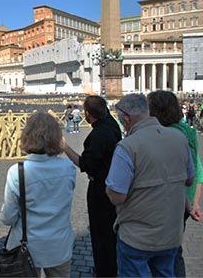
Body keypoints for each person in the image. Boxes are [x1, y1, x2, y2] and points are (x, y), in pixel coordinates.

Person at [105, 94, 195, 278]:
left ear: (125, 119)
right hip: (171, 233)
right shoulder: (179, 138)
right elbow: (189, 180)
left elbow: (117, 196)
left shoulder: (127, 147)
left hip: (137, 236)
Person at [0, 112, 76, 278]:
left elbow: (8, 218)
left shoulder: (17, 172)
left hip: (28, 246)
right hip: (59, 244)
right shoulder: (68, 168)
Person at [147, 90, 203, 277]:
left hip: (166, 201)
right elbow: (198, 170)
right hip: (184, 203)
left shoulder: (162, 135)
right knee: (174, 248)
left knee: (160, 253)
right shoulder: (188, 133)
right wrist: (194, 203)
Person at [62, 95, 121, 277]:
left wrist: (64, 147)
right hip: (113, 183)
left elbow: (85, 164)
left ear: (87, 114)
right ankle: (112, 267)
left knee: (99, 231)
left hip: (100, 189)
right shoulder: (112, 125)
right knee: (110, 231)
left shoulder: (97, 135)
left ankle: (104, 271)